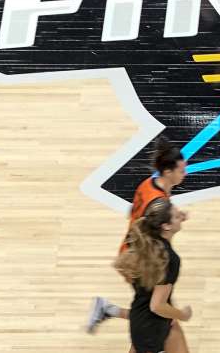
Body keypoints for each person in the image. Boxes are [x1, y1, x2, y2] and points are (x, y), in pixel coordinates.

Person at [86, 139, 188, 334]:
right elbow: (156, 237)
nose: (186, 174)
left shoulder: (149, 184)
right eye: (182, 171)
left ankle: (108, 310)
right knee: (159, 313)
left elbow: (133, 212)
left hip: (132, 252)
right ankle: (108, 309)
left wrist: (174, 216)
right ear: (168, 172)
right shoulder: (157, 201)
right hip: (140, 261)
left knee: (158, 314)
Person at [113, 199, 192, 353]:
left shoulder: (146, 246)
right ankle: (106, 309)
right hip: (151, 329)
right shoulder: (169, 259)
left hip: (145, 320)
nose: (180, 218)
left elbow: (127, 273)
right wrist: (182, 315)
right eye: (177, 216)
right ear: (166, 226)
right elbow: (157, 306)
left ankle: (107, 309)